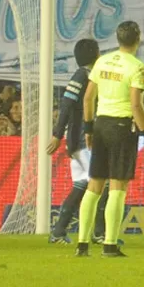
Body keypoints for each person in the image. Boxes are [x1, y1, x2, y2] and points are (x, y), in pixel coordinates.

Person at [76, 20, 144, 258]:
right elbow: (135, 104)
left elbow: (88, 99)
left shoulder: (102, 62)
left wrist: (89, 129)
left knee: (94, 185)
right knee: (118, 186)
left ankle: (82, 243)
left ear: (118, 38)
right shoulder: (138, 67)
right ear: (137, 39)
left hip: (100, 124)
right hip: (122, 127)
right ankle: (110, 244)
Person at [45, 38, 100, 244]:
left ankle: (59, 231)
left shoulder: (89, 75)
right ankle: (99, 233)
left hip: (77, 140)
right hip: (81, 140)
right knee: (99, 182)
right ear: (94, 54)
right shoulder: (82, 75)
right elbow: (67, 104)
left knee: (81, 184)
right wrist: (57, 134)